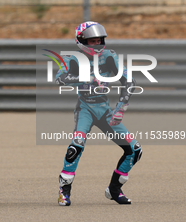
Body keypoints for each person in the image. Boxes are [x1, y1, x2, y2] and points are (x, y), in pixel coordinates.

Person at [55, 21, 142, 206]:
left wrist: (121, 107)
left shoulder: (109, 56)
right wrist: (86, 79)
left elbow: (130, 80)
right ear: (81, 41)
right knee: (75, 147)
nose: (97, 44)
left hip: (105, 111)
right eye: (92, 41)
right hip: (85, 109)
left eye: (99, 40)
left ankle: (114, 189)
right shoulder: (73, 58)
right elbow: (60, 78)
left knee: (134, 150)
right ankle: (64, 191)